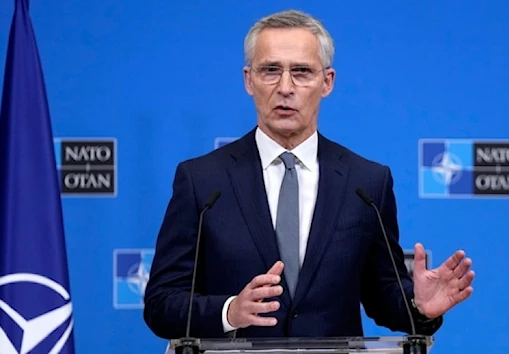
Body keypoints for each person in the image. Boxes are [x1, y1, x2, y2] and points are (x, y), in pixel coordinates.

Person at [143, 9, 475, 340]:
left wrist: (418, 306)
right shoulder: (202, 180)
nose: (285, 87)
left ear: (327, 82)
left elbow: (382, 294)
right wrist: (230, 311)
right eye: (270, 70)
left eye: (301, 72)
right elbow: (162, 303)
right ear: (248, 80)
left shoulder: (366, 182)